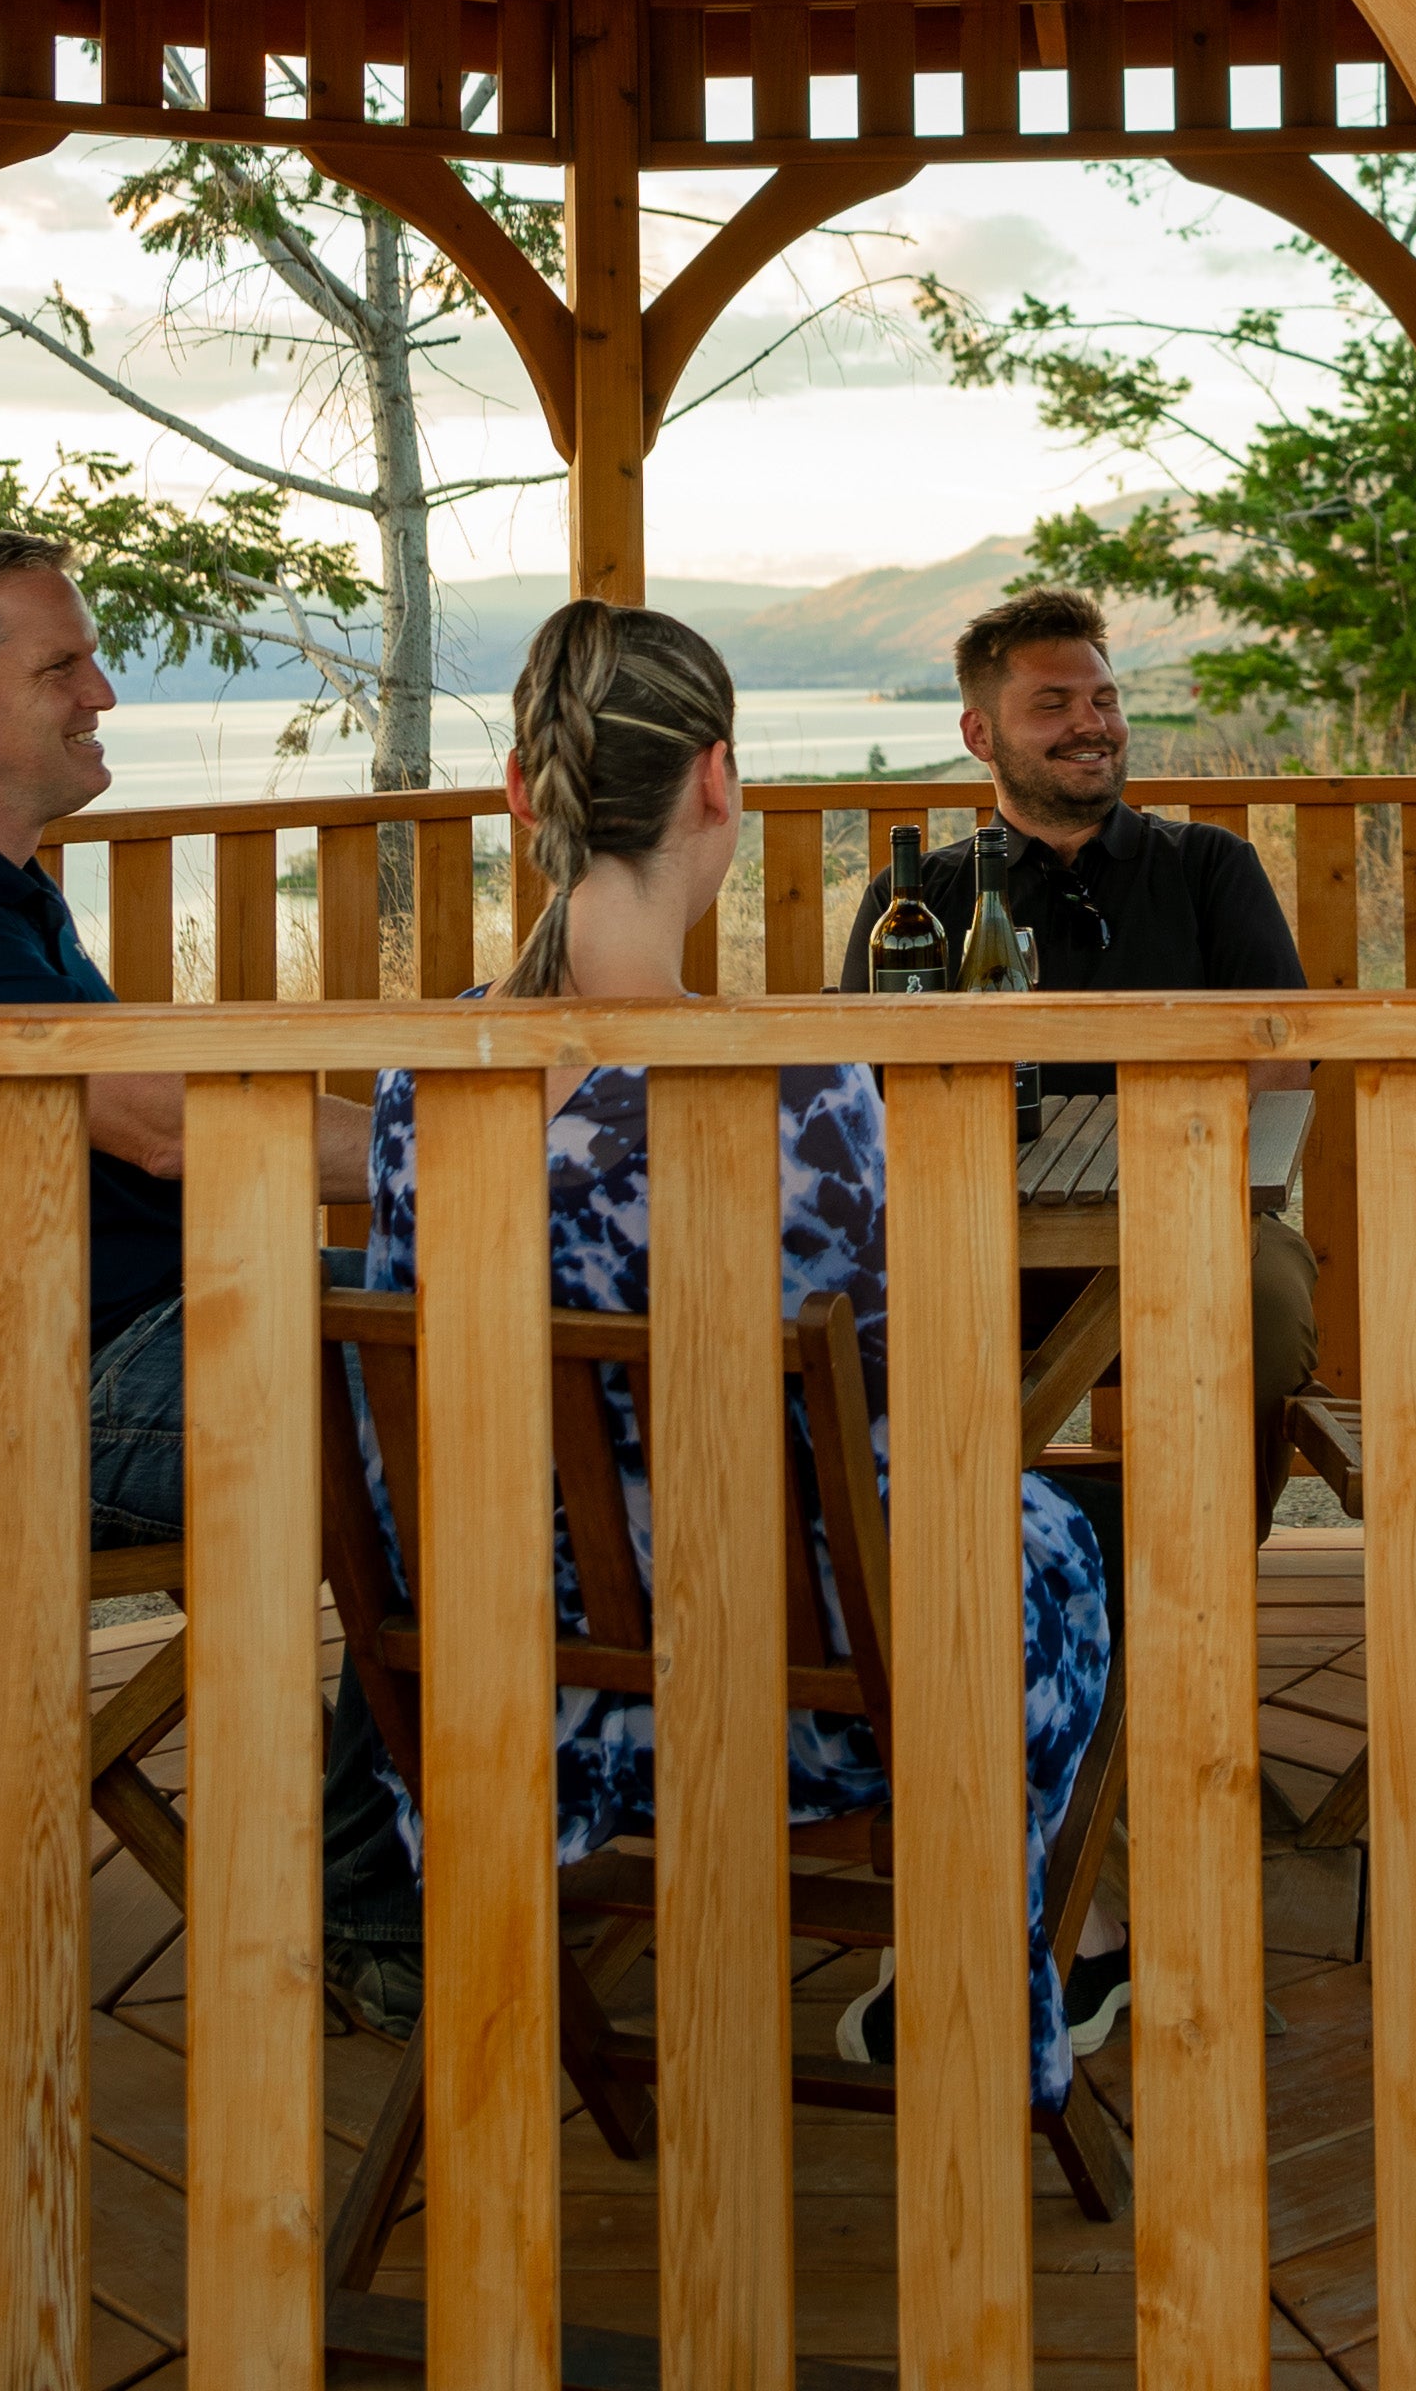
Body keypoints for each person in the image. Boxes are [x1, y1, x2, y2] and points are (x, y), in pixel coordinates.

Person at [349, 599, 1127, 2095]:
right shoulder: (804, 1095)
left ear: (525, 792)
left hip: (517, 1681)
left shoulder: (425, 1074)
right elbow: (912, 1438)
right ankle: (996, 1978)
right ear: (719, 783)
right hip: (799, 1700)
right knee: (1065, 1536)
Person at [0, 530, 407, 2002]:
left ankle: (442, 1848)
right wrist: (484, 1148)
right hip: (65, 1398)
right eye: (61, 665)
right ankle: (378, 1911)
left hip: (153, 1334)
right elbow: (171, 1128)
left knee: (502, 1367)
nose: (104, 692)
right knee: (476, 1405)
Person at [836, 589, 1324, 1526]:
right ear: (981, 733)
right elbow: (868, 1089)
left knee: (1260, 1301)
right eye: (1052, 705)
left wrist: (1199, 1193)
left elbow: (1281, 1069)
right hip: (970, 1235)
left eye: (1102, 700)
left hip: (1190, 1225)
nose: (1091, 725)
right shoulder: (922, 899)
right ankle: (964, 1568)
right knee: (846, 1308)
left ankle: (1196, 1584)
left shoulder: (1211, 870)